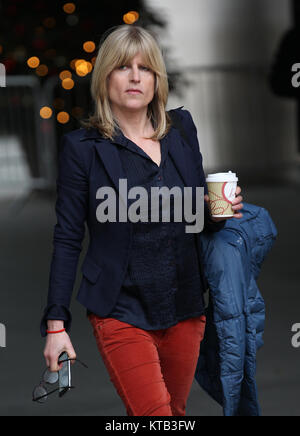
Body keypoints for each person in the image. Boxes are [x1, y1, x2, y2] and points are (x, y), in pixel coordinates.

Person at [41, 25, 243, 416]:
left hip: (185, 307)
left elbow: (196, 220)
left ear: (157, 79)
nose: (135, 77)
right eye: (122, 67)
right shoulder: (83, 149)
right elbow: (67, 239)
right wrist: (55, 324)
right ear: (105, 76)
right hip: (121, 311)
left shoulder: (181, 130)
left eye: (145, 68)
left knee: (174, 414)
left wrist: (219, 211)